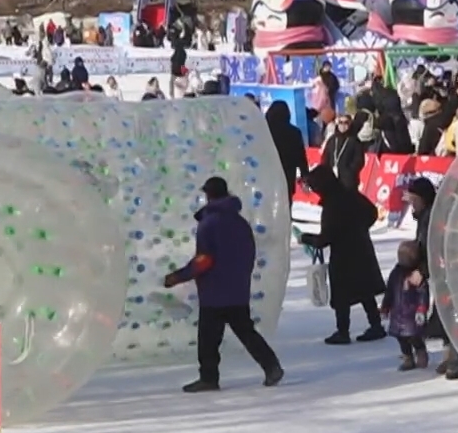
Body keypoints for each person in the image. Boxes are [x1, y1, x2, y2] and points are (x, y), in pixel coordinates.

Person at [161, 176, 284, 392]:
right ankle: (271, 366)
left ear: (208, 195)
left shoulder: (209, 224)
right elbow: (249, 253)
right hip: (237, 290)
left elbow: (204, 260)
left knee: (208, 340)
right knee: (247, 332)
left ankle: (209, 378)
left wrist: (178, 277)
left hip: (214, 292)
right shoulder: (240, 222)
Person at [299, 164, 387, 344]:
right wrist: (361, 228)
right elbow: (372, 212)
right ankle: (376, 325)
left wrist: (305, 238)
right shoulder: (350, 194)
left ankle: (342, 331)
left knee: (341, 295)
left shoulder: (332, 206)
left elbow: (326, 238)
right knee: (365, 290)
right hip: (361, 247)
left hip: (343, 255)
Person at [381, 240, 431, 370]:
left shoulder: (416, 276)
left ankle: (420, 351)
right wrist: (385, 306)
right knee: (401, 338)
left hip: (412, 314)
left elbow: (423, 294)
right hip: (397, 313)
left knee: (414, 336)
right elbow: (390, 291)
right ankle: (407, 357)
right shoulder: (395, 273)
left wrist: (421, 309)